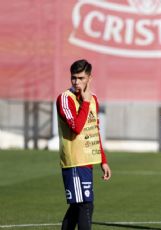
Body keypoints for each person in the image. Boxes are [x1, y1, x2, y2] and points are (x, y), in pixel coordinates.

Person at [56, 59, 112, 230]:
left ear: (90, 78)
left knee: (78, 207)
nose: (76, 82)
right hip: (74, 161)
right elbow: (77, 128)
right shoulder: (65, 99)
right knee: (85, 205)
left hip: (87, 161)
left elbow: (94, 130)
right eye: (74, 78)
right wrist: (85, 102)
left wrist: (103, 160)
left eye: (81, 78)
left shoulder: (94, 99)